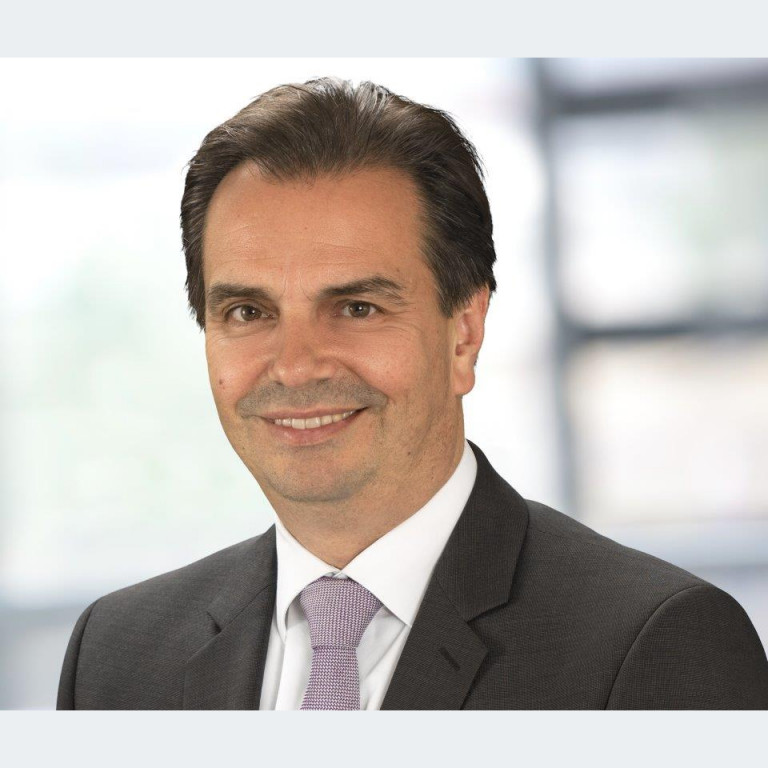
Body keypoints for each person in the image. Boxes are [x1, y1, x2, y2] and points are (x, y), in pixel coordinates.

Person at [57, 77, 768, 709]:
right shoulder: (116, 660)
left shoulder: (653, 645)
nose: (295, 367)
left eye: (356, 308)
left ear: (464, 334)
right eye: (249, 312)